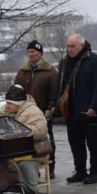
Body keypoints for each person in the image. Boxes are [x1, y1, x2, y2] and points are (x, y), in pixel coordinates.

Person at [56, 34, 97, 185]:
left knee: (93, 143)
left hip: (88, 111)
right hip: (70, 110)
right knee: (75, 143)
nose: (69, 49)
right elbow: (59, 85)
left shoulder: (94, 61)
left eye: (72, 46)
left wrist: (94, 106)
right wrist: (55, 104)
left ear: (81, 45)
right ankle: (80, 171)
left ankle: (95, 172)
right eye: (67, 46)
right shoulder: (64, 62)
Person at [15, 39, 59, 177]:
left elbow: (54, 93)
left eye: (33, 51)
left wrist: (50, 110)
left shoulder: (50, 72)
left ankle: (50, 166)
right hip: (25, 114)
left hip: (43, 113)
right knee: (27, 141)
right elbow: (16, 91)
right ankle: (33, 169)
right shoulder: (22, 72)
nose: (31, 54)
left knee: (47, 140)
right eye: (29, 52)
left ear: (40, 53)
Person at [1, 84, 51, 194]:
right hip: (12, 150)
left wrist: (19, 130)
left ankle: (29, 190)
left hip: (34, 150)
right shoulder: (4, 110)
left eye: (10, 103)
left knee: (25, 163)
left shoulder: (33, 111)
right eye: (7, 102)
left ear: (19, 104)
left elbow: (41, 131)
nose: (6, 106)